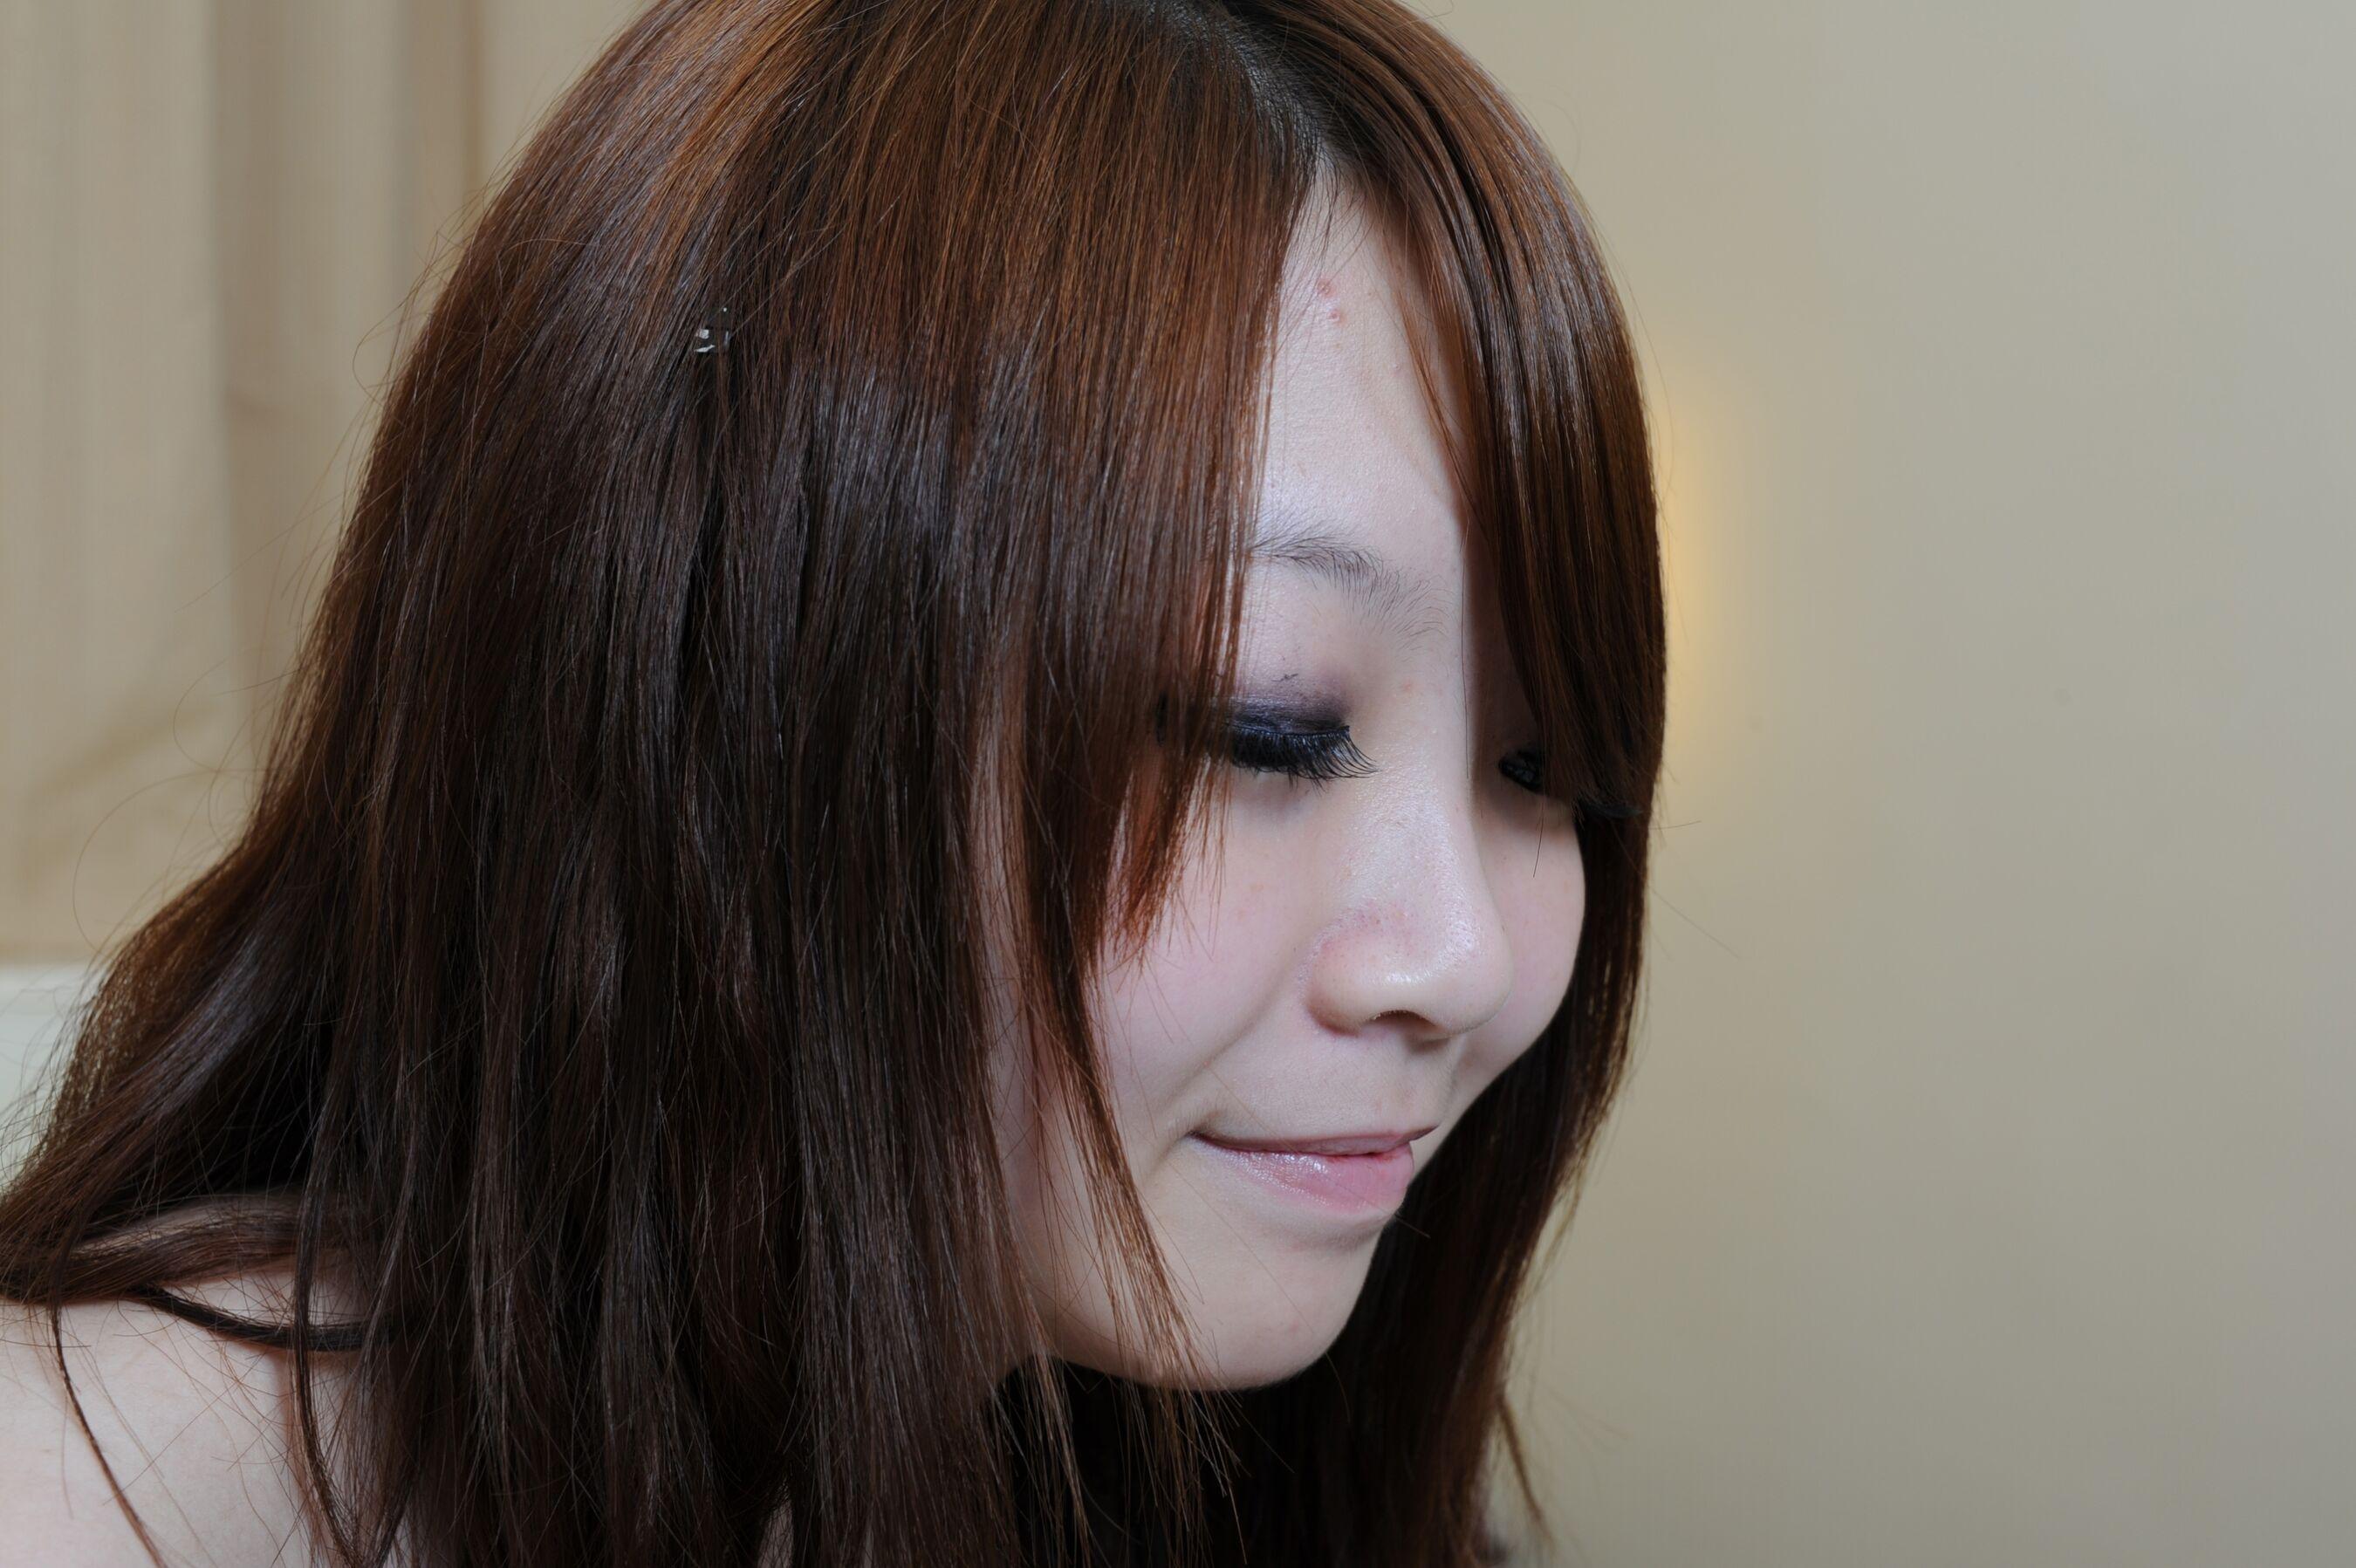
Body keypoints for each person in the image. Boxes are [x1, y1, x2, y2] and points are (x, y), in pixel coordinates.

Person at [0, 0, 1664, 1563]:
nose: (1464, 958)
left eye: (1545, 767)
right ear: (726, 694)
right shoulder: (91, 1492)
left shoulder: (1125, 1441)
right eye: (1266, 725)